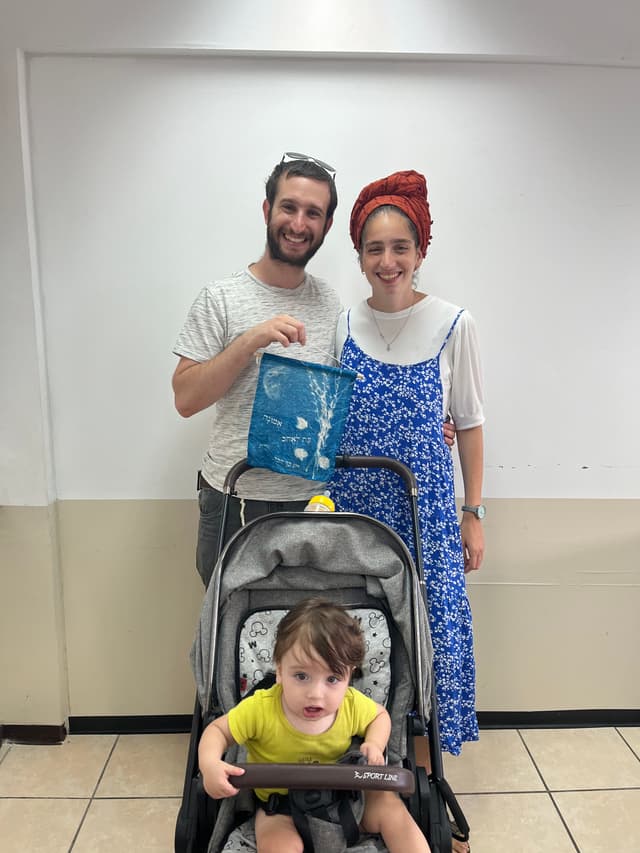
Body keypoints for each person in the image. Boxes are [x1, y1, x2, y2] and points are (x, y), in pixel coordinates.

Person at [172, 154, 456, 587]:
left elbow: (342, 403)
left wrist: (423, 425)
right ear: (267, 210)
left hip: (315, 504)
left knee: (308, 630)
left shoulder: (331, 305)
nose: (298, 223)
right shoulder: (220, 298)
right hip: (235, 496)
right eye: (289, 207)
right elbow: (186, 399)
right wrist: (248, 342)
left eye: (313, 213)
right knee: (229, 626)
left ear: (326, 225)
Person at [328, 170, 484, 762]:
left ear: (420, 251)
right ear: (359, 256)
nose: (387, 262)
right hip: (355, 516)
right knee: (360, 636)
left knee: (431, 635)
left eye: (400, 247)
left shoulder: (454, 324)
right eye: (375, 249)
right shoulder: (342, 325)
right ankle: (359, 764)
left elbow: (469, 423)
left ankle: (423, 771)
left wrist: (473, 513)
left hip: (425, 515)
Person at [198, 598, 431, 853]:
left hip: (347, 798)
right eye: (301, 676)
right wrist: (210, 764)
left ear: (349, 676)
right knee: (279, 845)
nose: (315, 694)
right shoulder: (260, 709)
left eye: (332, 679)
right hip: (281, 807)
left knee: (391, 808)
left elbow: (380, 716)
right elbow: (218, 730)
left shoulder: (351, 704)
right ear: (279, 671)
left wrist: (374, 743)